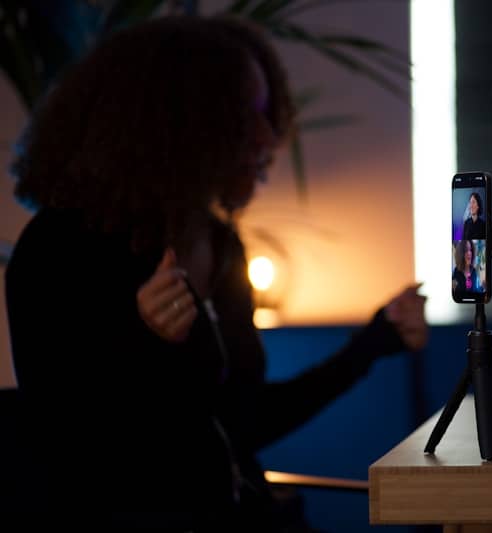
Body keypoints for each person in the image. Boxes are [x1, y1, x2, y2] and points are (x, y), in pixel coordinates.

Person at [4, 15, 427, 531]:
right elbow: (68, 448)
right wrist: (142, 342)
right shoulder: (59, 247)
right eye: (247, 113)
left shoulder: (220, 246)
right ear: (178, 124)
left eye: (267, 111)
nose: (269, 134)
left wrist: (371, 343)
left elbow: (242, 421)